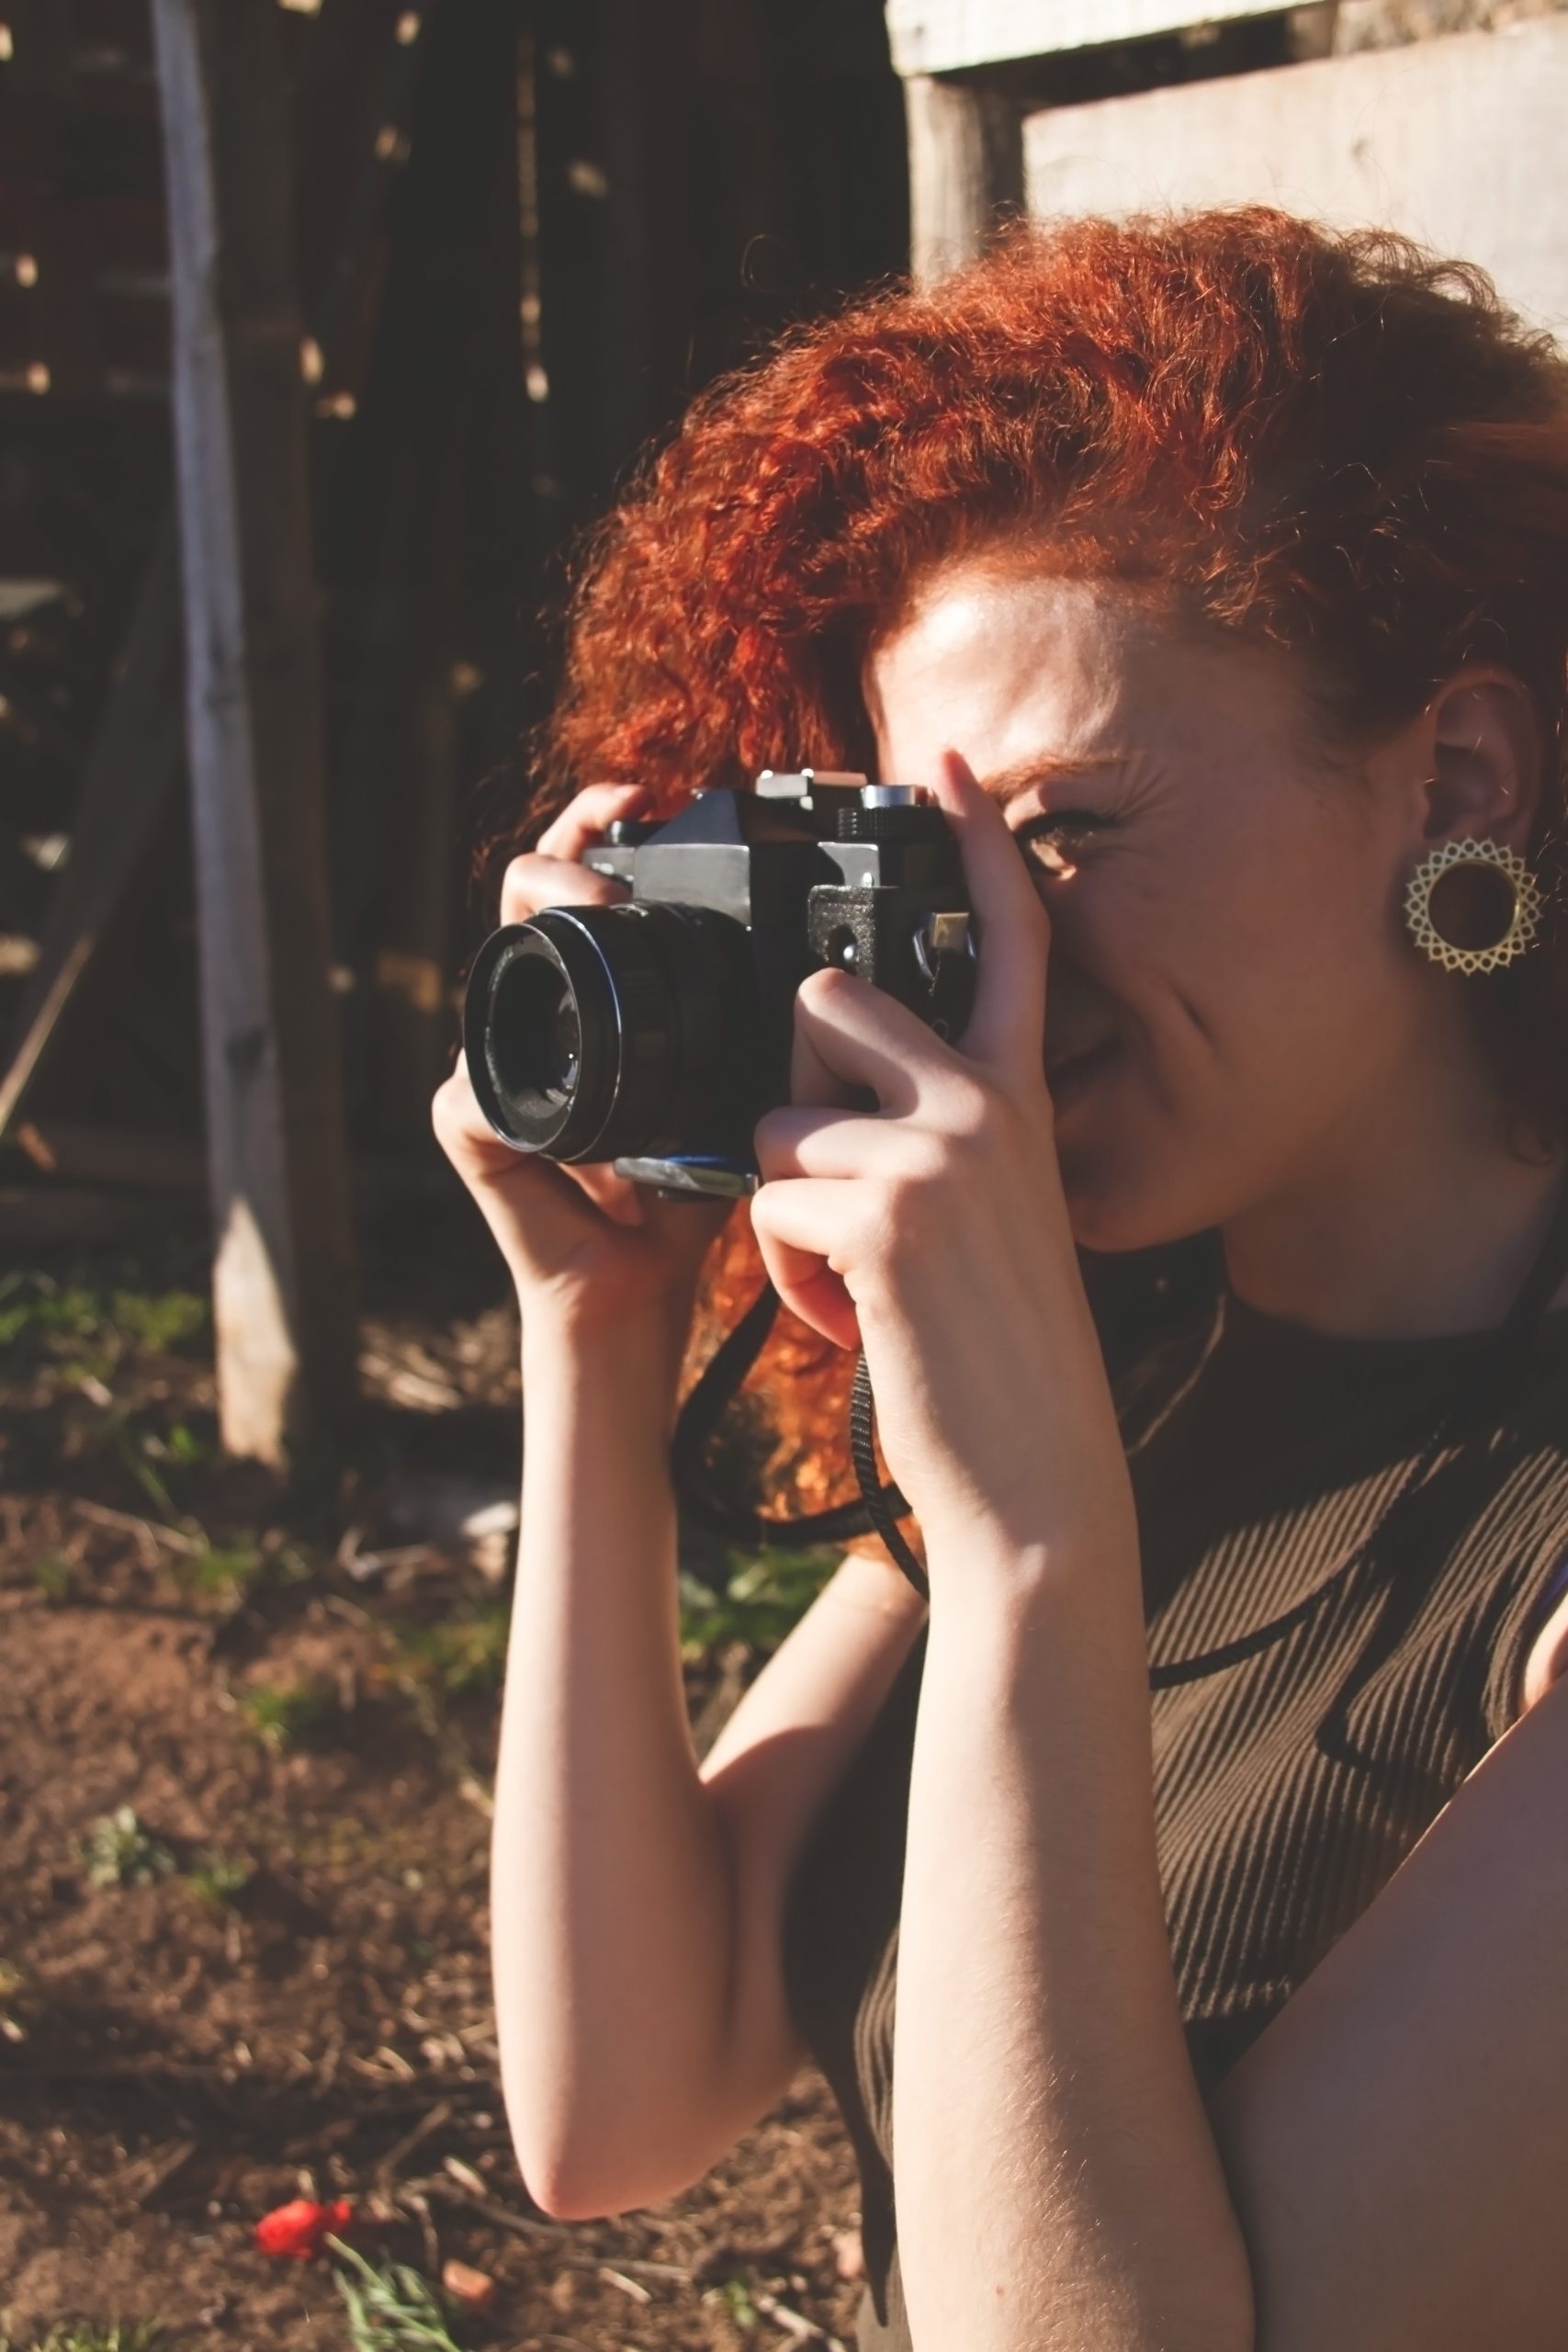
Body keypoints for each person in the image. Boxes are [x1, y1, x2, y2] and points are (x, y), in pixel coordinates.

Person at [433, 208, 1568, 2350]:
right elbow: (617, 2100)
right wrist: (599, 1326)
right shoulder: (1120, 1349)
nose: (988, 954)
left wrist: (1035, 1538)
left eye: (1059, 831)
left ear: (1458, 776)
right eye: (927, 866)